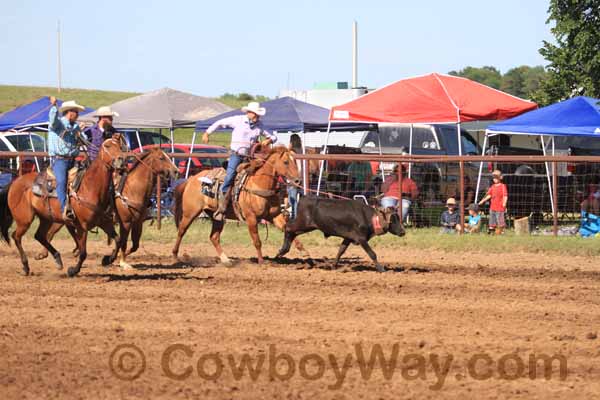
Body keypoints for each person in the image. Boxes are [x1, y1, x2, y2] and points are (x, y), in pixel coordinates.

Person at [203, 102, 277, 220]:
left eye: (258, 114)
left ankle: (250, 203)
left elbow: (273, 136)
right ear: (249, 113)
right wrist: (207, 132)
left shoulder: (260, 125)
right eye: (255, 114)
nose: (257, 116)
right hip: (236, 155)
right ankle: (222, 207)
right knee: (230, 176)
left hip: (250, 157)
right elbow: (220, 122)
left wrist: (269, 140)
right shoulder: (237, 120)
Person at [47, 96, 86, 222]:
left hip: (72, 160)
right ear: (70, 112)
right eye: (76, 112)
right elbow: (52, 120)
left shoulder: (75, 127)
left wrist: (81, 134)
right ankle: (65, 208)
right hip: (60, 160)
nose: (78, 114)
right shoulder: (58, 123)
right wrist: (53, 106)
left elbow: (84, 140)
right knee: (62, 181)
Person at [478, 169, 508, 235]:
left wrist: (504, 203)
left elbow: (505, 195)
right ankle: (491, 231)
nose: (495, 179)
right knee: (492, 219)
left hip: (500, 207)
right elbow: (489, 195)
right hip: (492, 207)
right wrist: (482, 201)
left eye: (496, 178)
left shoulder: (503, 186)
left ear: (500, 178)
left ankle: (501, 231)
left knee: (500, 220)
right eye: (494, 178)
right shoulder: (492, 186)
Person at [286, 133, 303, 219]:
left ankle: (294, 217)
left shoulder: (291, 153)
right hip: (301, 178)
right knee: (298, 199)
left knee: (292, 200)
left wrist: (294, 178)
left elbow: (295, 166)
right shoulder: (300, 150)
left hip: (293, 179)